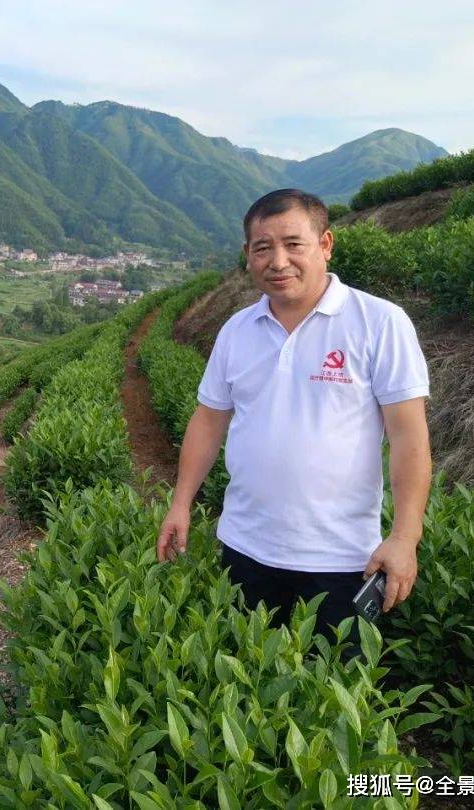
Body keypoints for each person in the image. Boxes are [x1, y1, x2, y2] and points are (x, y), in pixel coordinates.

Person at [156, 189, 432, 644]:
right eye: (263, 248)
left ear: (325, 245)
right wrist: (181, 503)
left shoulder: (380, 322)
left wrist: (405, 537)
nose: (278, 261)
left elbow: (409, 438)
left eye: (293, 244)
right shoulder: (237, 330)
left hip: (341, 561)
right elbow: (208, 420)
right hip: (244, 550)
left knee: (332, 698)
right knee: (240, 691)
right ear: (247, 255)